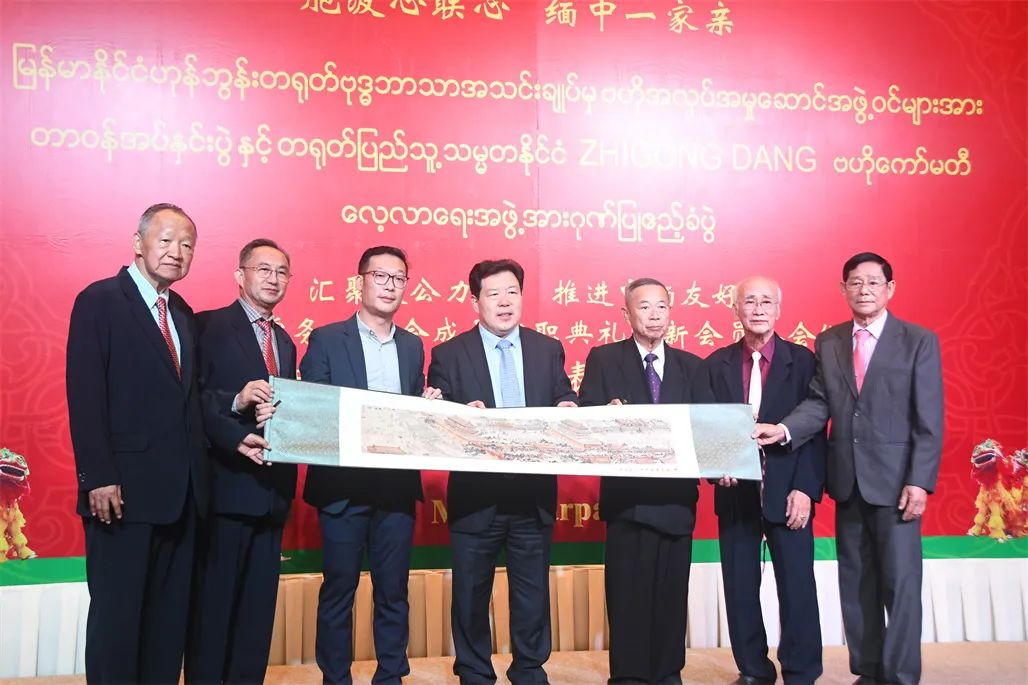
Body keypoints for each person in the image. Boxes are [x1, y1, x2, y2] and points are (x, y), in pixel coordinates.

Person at [754, 253, 944, 685]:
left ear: (890, 289)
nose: (864, 290)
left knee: (900, 585)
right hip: (847, 481)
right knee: (856, 582)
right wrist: (783, 429)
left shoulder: (918, 341)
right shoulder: (830, 341)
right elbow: (820, 402)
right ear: (843, 289)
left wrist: (919, 481)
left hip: (897, 485)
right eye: (855, 282)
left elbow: (929, 419)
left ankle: (900, 676)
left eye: (874, 282)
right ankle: (868, 671)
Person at [66, 203, 208, 684]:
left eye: (186, 244)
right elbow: (85, 394)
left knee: (167, 625)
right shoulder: (100, 301)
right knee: (118, 620)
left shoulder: (182, 313)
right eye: (166, 240)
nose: (176, 252)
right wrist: (98, 476)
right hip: (121, 494)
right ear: (138, 242)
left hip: (181, 497)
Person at [427, 258, 577, 685]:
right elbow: (438, 418)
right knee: (470, 596)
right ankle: (475, 673)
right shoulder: (448, 354)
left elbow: (564, 394)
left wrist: (568, 405)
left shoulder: (547, 349)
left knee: (531, 596)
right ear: (475, 302)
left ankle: (529, 670)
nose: (505, 301)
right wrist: (457, 414)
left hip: (532, 496)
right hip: (476, 498)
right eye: (493, 294)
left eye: (512, 292)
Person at [301, 246, 440, 685]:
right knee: (339, 591)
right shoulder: (326, 339)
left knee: (393, 592)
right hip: (342, 490)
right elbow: (315, 407)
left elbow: (411, 414)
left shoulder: (413, 346)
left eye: (398, 278)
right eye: (380, 276)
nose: (389, 286)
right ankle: (335, 678)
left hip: (395, 491)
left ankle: (391, 676)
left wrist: (426, 407)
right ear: (360, 281)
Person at [577, 277, 709, 685]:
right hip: (628, 504)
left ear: (671, 312)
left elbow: (707, 430)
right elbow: (584, 419)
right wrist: (606, 414)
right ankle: (629, 676)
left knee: (671, 597)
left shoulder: (693, 366)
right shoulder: (604, 359)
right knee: (627, 596)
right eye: (644, 307)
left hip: (676, 503)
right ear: (626, 314)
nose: (654, 315)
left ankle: (668, 673)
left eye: (661, 307)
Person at [185, 239, 297, 684]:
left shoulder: (285, 341)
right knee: (213, 614)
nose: (273, 278)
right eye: (263, 269)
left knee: (255, 620)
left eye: (282, 272)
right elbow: (189, 400)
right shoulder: (206, 326)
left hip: (272, 495)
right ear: (240, 275)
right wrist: (237, 400)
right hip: (226, 492)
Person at [704, 276, 825, 685]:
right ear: (735, 309)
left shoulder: (804, 361)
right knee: (740, 589)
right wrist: (715, 467)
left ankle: (801, 672)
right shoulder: (716, 364)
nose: (758, 309)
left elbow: (816, 430)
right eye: (750, 301)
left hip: (789, 492)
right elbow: (706, 428)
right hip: (735, 493)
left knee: (797, 587)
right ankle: (754, 670)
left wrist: (805, 489)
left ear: (779, 309)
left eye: (766, 301)